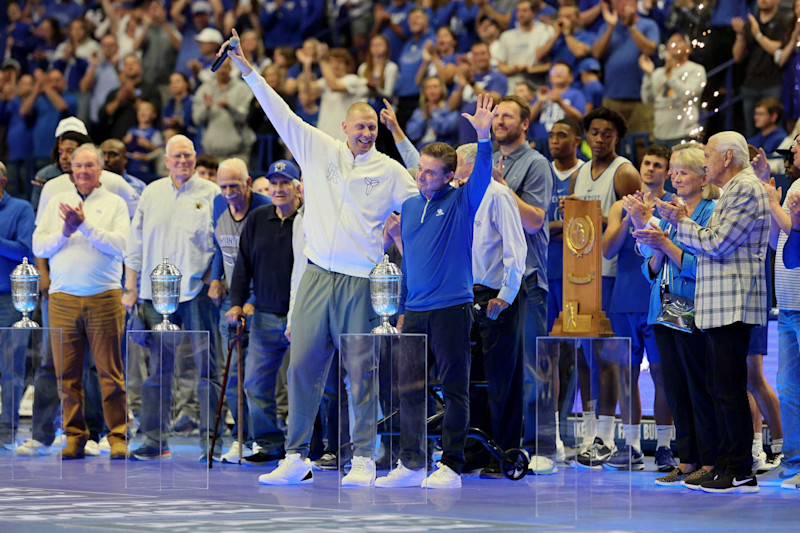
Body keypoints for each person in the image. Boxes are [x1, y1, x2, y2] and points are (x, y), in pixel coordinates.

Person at [225, 29, 417, 487]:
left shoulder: (390, 171)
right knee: (302, 367)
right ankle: (296, 457)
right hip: (314, 277)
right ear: (345, 128)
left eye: (373, 127)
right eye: (360, 126)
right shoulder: (317, 147)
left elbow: (423, 203)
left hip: (359, 282)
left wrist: (407, 225)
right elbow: (280, 112)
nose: (367, 133)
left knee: (361, 371)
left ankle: (365, 457)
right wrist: (248, 70)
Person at [374, 94, 495, 489]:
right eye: (421, 172)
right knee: (408, 389)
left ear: (449, 176)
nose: (424, 178)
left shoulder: (462, 200)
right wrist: (404, 307)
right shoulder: (409, 207)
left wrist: (483, 136)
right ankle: (411, 464)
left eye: (431, 174)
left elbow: (482, 174)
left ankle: (452, 466)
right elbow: (410, 262)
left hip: (452, 311)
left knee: (455, 390)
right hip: (417, 312)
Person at [654, 131, 770, 494]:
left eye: (708, 155)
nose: (704, 162)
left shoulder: (745, 189)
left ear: (728, 158)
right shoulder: (737, 188)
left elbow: (716, 244)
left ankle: (738, 469)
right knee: (722, 388)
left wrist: (679, 221)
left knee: (728, 389)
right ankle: (724, 464)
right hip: (722, 301)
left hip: (732, 301)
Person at [123, 134, 223, 461]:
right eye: (176, 156)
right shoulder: (151, 193)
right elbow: (135, 243)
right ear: (165, 160)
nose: (183, 161)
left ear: (195, 159)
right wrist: (132, 286)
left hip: (196, 294)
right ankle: (155, 439)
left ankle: (212, 441)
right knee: (157, 371)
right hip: (154, 295)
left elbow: (221, 243)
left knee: (207, 368)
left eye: (188, 156)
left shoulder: (211, 193)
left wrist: (213, 277)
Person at [628, 143, 720, 488]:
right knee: (675, 387)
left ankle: (710, 461)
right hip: (662, 309)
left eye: (684, 171)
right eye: (675, 171)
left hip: (694, 307)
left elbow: (703, 265)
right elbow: (652, 269)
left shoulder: (711, 211)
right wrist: (654, 245)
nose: (676, 177)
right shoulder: (670, 210)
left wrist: (665, 245)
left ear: (703, 177)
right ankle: (687, 460)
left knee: (698, 386)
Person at [32, 144, 129, 460]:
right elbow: (40, 245)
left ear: (101, 170)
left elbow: (121, 246)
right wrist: (65, 230)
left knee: (109, 373)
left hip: (104, 296)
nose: (83, 171)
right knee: (66, 375)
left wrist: (84, 226)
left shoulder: (115, 203)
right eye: (78, 166)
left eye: (89, 166)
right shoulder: (56, 201)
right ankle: (74, 436)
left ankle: (117, 436)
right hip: (63, 298)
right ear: (70, 170)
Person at [569, 106, 641, 468]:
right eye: (594, 132)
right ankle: (591, 429)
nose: (599, 138)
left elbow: (640, 223)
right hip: (580, 275)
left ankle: (609, 436)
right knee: (586, 355)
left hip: (612, 274)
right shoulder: (579, 173)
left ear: (617, 137)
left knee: (609, 357)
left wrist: (596, 221)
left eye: (607, 133)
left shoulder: (625, 173)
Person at [490, 95, 557, 474]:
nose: (500, 120)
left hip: (528, 279)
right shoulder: (486, 159)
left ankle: (539, 445)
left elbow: (533, 221)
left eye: (508, 115)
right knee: (500, 369)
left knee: (533, 367)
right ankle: (505, 444)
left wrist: (502, 187)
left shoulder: (536, 164)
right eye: (496, 114)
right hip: (493, 282)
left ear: (525, 123)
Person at [601, 145, 676, 472]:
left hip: (661, 300)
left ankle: (663, 446)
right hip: (625, 299)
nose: (649, 169)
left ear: (667, 172)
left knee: (662, 374)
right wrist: (630, 215)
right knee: (625, 373)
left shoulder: (674, 206)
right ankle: (629, 445)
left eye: (657, 165)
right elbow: (607, 250)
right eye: (646, 163)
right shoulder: (621, 205)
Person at [224, 160, 301, 466]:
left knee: (307, 386)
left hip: (303, 317)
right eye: (275, 184)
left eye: (286, 183)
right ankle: (269, 443)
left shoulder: (309, 220)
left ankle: (312, 445)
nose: (279, 189)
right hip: (266, 316)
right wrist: (236, 301)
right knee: (255, 384)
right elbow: (243, 265)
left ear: (298, 187)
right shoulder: (257, 219)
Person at [208, 157, 271, 463]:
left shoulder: (265, 209)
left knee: (256, 380)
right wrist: (217, 276)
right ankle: (241, 438)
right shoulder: (219, 205)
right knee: (231, 376)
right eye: (223, 186)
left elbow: (272, 261)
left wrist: (254, 299)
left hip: (262, 303)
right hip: (231, 302)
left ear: (248, 182)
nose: (229, 192)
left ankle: (267, 440)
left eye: (235, 185)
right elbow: (221, 245)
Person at [0, 161, 35, 447]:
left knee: (11, 367)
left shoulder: (21, 209)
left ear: (3, 181)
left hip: (10, 299)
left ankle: (7, 429)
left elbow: (25, 251)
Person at [591, 0, 659, 139]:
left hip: (641, 98)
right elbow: (597, 53)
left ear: (635, 4)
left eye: (626, 1)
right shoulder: (606, 27)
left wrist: (631, 26)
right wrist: (611, 26)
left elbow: (650, 49)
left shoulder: (648, 25)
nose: (622, 5)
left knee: (642, 142)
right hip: (612, 96)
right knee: (609, 141)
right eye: (618, 2)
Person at [732, 0, 790, 138]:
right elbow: (737, 57)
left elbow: (778, 50)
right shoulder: (751, 21)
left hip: (773, 83)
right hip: (750, 83)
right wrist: (740, 35)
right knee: (750, 132)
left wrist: (758, 35)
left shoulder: (783, 21)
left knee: (775, 130)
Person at [639, 32, 707, 147]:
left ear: (688, 48)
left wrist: (670, 75)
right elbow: (647, 99)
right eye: (671, 42)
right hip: (660, 136)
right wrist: (648, 75)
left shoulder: (696, 69)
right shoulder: (658, 72)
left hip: (685, 135)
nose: (675, 44)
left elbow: (688, 95)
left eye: (680, 41)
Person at [192, 58, 254, 162]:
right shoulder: (205, 89)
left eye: (226, 67)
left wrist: (230, 107)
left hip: (237, 154)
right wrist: (206, 108)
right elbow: (196, 119)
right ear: (214, 68)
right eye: (220, 66)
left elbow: (247, 117)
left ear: (230, 68)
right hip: (210, 154)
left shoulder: (243, 89)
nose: (223, 70)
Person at [448, 41, 508, 145]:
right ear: (472, 58)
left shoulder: (498, 77)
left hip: (487, 135)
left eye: (483, 53)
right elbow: (451, 106)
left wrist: (471, 83)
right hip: (464, 133)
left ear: (490, 55)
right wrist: (461, 87)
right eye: (476, 54)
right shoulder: (464, 77)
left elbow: (494, 100)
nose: (480, 57)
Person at [496, 0, 555, 92]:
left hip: (537, 86)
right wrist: (514, 69)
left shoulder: (545, 31)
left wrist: (529, 69)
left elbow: (551, 63)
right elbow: (501, 67)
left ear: (534, 12)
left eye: (524, 11)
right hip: (513, 87)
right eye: (518, 11)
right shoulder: (506, 36)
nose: (520, 14)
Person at [406, 76, 458, 148]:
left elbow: (446, 129)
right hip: (422, 149)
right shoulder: (419, 112)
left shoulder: (450, 108)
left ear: (442, 89)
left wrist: (432, 115)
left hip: (443, 149)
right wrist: (424, 116)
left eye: (435, 87)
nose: (432, 90)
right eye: (428, 87)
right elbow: (413, 134)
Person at [124, 100, 163, 177]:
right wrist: (126, 142)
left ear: (154, 115)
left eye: (146, 110)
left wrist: (148, 145)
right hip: (130, 167)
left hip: (146, 168)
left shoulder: (155, 133)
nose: (142, 112)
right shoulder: (132, 130)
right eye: (140, 110)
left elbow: (160, 152)